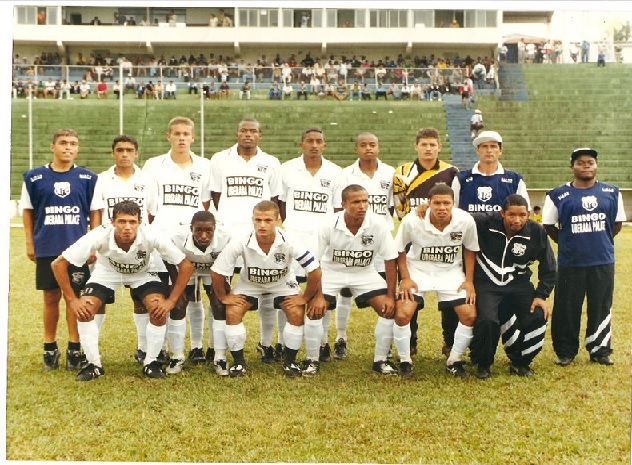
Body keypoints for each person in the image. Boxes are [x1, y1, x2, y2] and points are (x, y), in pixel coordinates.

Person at [51, 201, 194, 381]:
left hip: (142, 274)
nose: (127, 227)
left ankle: (151, 362)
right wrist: (72, 300)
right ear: (112, 221)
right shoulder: (99, 234)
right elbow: (58, 264)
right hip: (106, 273)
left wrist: (171, 301)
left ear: (140, 222)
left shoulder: (151, 234)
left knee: (158, 309)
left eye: (132, 222)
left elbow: (186, 265)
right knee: (85, 310)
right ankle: (93, 364)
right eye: (122, 221)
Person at [210, 201, 324, 378]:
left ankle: (289, 361)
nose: (262, 225)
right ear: (252, 220)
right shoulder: (240, 240)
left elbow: (315, 270)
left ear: (278, 220)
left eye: (268, 220)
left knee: (296, 312)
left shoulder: (290, 240)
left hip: (283, 284)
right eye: (258, 220)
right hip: (250, 284)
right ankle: (239, 363)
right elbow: (217, 271)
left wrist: (305, 297)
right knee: (232, 311)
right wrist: (224, 297)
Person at [19, 129, 102, 371]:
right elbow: (27, 211)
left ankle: (74, 348)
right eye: (63, 143)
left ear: (78, 149)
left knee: (75, 298)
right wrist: (29, 241)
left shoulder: (87, 178)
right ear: (52, 146)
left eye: (73, 144)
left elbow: (95, 212)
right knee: (50, 297)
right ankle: (49, 346)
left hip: (76, 248)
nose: (68, 147)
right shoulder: (34, 178)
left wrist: (93, 242)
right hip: (47, 245)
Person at [543, 148, 626, 367]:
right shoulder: (557, 194)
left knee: (600, 305)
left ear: (596, 166)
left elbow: (616, 225)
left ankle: (599, 349)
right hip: (571, 262)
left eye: (590, 162)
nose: (586, 166)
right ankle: (565, 351)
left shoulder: (611, 192)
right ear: (572, 167)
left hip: (602, 260)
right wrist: (569, 242)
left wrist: (599, 241)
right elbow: (549, 225)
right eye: (581, 163)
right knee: (567, 306)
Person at [209, 118, 283, 363]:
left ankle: (265, 343)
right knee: (220, 290)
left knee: (266, 289)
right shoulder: (220, 159)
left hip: (259, 232)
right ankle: (215, 347)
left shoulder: (271, 162)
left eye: (253, 131)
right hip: (228, 232)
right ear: (236, 133)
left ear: (260, 135)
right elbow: (216, 195)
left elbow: (274, 199)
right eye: (243, 130)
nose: (248, 135)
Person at [143, 117, 212, 370]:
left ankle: (195, 347)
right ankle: (162, 349)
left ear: (193, 137)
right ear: (168, 136)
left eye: (186, 134)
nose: (182, 138)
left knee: (192, 296)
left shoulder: (204, 166)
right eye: (177, 133)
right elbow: (149, 206)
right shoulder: (153, 165)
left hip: (190, 240)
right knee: (163, 293)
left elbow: (204, 205)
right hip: (162, 238)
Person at [394, 184, 478, 378]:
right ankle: (405, 360)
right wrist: (405, 278)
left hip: (450, 272)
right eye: (437, 203)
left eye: (446, 203)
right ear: (428, 203)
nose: (442, 207)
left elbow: (470, 249)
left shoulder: (465, 220)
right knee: (403, 313)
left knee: (469, 315)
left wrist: (469, 281)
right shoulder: (412, 220)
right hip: (418, 270)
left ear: (453, 203)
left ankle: (454, 360)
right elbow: (399, 249)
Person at [278, 128, 344, 372]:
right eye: (309, 141)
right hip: (294, 237)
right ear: (301, 144)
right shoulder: (287, 169)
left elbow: (338, 209)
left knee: (319, 291)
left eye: (319, 141)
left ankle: (323, 342)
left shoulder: (336, 173)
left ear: (324, 145)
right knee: (289, 289)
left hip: (323, 240)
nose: (314, 145)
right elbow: (281, 204)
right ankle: (283, 343)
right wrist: (293, 225)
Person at [470, 194, 556, 378]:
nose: (517, 220)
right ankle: (483, 364)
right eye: (511, 215)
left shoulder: (536, 232)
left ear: (529, 214)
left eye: (522, 215)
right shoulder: (485, 223)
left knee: (538, 315)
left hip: (519, 284)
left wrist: (541, 295)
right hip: (487, 283)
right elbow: (455, 216)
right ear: (502, 213)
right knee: (487, 320)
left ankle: (521, 362)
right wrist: (425, 209)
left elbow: (549, 265)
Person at [315, 184, 398, 375]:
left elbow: (390, 259)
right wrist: (317, 294)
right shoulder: (328, 223)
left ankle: (380, 360)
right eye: (356, 202)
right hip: (331, 271)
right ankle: (314, 358)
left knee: (388, 310)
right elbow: (314, 261)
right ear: (343, 204)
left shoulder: (378, 223)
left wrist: (391, 296)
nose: (362, 206)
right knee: (314, 309)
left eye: (365, 201)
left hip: (364, 272)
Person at [393, 128, 459, 357]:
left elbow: (454, 207)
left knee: (449, 292)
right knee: (410, 292)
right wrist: (418, 220)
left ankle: (449, 340)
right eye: (424, 145)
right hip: (414, 239)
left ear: (439, 146)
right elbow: (400, 208)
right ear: (416, 146)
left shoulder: (452, 172)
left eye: (432, 144)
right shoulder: (402, 172)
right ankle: (410, 341)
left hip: (444, 240)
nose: (428, 149)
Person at [329, 132, 395, 363]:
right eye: (364, 145)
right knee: (345, 289)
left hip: (378, 239)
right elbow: (338, 209)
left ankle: (385, 349)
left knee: (383, 290)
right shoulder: (344, 175)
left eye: (373, 145)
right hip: (352, 239)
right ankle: (340, 337)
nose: (369, 148)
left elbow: (392, 208)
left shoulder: (390, 173)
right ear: (356, 148)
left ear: (379, 147)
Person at [92, 135, 156, 364]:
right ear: (113, 153)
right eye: (120, 150)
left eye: (129, 150)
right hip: (108, 247)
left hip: (140, 247)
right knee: (98, 298)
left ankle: (142, 348)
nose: (125, 154)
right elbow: (97, 212)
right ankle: (92, 350)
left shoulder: (147, 180)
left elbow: (152, 213)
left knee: (140, 298)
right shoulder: (102, 179)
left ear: (136, 153)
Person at [167, 211, 231, 376]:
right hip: (186, 269)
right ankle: (177, 356)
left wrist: (221, 292)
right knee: (178, 305)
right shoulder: (176, 238)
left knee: (219, 305)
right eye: (198, 231)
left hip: (214, 269)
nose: (203, 235)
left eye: (208, 231)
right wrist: (177, 289)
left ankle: (218, 355)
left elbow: (226, 267)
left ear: (215, 229)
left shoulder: (227, 238)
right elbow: (167, 260)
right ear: (191, 229)